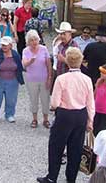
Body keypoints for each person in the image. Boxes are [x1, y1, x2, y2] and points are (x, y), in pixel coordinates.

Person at [37, 47, 94, 183]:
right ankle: (71, 178)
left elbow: (55, 102)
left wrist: (53, 107)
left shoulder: (62, 79)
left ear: (67, 62)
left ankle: (52, 177)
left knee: (56, 146)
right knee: (76, 148)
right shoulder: (87, 79)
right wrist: (90, 120)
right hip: (80, 114)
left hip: (64, 114)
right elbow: (90, 102)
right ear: (80, 61)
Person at [0, 36, 24, 123]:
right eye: (2, 45)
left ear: (11, 45)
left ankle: (10, 114)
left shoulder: (15, 54)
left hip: (13, 81)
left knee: (11, 99)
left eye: (6, 45)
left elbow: (19, 67)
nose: (4, 46)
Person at [22, 30, 52, 129]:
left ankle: (46, 119)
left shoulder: (44, 49)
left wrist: (49, 77)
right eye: (31, 40)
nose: (34, 42)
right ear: (28, 42)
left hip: (44, 78)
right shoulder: (25, 51)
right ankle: (34, 119)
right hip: (31, 79)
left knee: (45, 99)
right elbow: (24, 64)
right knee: (33, 99)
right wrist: (30, 61)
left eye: (35, 39)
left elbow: (48, 64)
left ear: (38, 40)